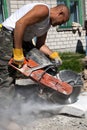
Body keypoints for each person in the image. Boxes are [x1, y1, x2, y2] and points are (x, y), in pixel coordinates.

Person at [0, 3, 70, 89]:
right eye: (62, 21)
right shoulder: (43, 10)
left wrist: (53, 55)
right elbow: (20, 24)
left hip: (23, 40)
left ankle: (46, 89)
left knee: (45, 64)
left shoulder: (47, 24)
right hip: (8, 34)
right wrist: (18, 52)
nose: (60, 24)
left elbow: (40, 45)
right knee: (7, 72)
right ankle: (6, 98)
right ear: (60, 13)